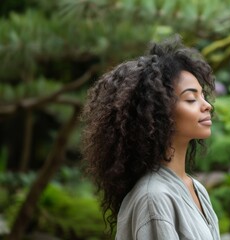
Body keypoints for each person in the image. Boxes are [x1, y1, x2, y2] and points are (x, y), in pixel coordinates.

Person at [81, 36, 220, 240]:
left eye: (203, 96)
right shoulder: (154, 197)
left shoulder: (195, 188)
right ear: (160, 112)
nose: (207, 105)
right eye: (191, 98)